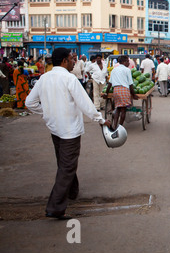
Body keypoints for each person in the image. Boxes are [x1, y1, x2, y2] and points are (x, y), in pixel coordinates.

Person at [25, 47, 111, 220]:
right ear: (64, 60)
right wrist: (101, 120)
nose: (74, 62)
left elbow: (29, 102)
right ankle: (55, 207)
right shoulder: (69, 78)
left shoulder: (44, 78)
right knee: (67, 166)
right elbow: (85, 103)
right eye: (72, 59)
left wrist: (47, 112)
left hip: (55, 128)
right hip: (69, 131)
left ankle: (72, 191)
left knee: (64, 162)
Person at [103, 55, 138, 130]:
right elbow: (130, 84)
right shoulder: (127, 70)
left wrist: (106, 93)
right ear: (123, 62)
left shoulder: (114, 70)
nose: (129, 63)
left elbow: (110, 83)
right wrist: (134, 94)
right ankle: (120, 127)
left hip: (116, 90)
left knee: (118, 108)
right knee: (123, 110)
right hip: (124, 90)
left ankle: (114, 125)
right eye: (127, 61)